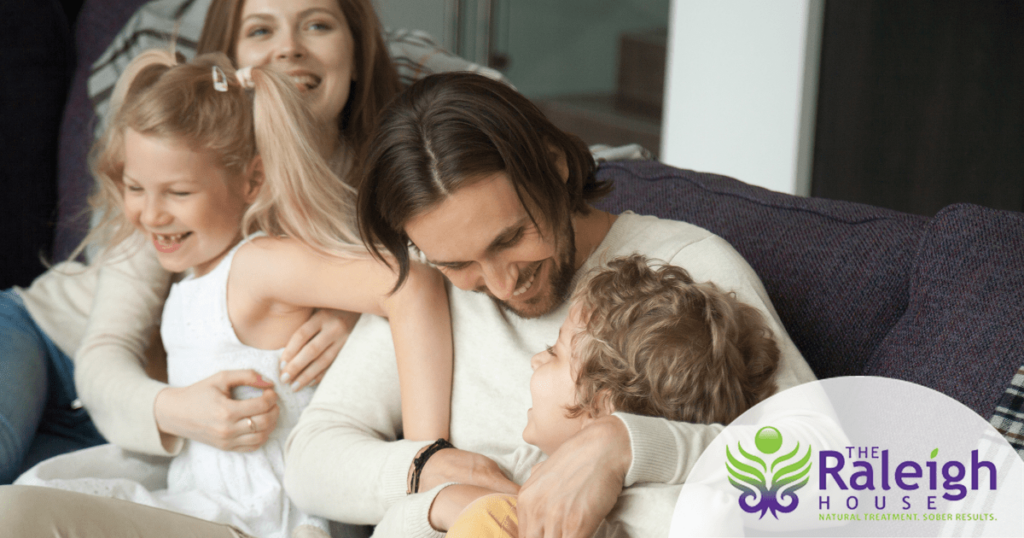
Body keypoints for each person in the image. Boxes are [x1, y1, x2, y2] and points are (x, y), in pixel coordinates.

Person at [275, 71, 824, 537]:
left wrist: (620, 446)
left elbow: (822, 466)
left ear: (555, 166)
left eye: (509, 239)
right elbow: (310, 459)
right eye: (458, 263)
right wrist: (434, 480)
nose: (499, 285)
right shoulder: (431, 286)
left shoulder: (682, 269)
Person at [0, 0, 493, 484]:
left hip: (169, 434)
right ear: (231, 58)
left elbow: (435, 257)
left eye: (317, 25)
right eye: (260, 30)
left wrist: (354, 314)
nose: (288, 49)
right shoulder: (176, 159)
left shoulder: (390, 174)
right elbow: (105, 350)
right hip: (54, 343)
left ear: (358, 52)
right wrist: (178, 409)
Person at [443, 254, 782, 536]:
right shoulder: (527, 465)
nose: (535, 359)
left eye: (554, 352)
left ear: (604, 407)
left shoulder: (674, 511)